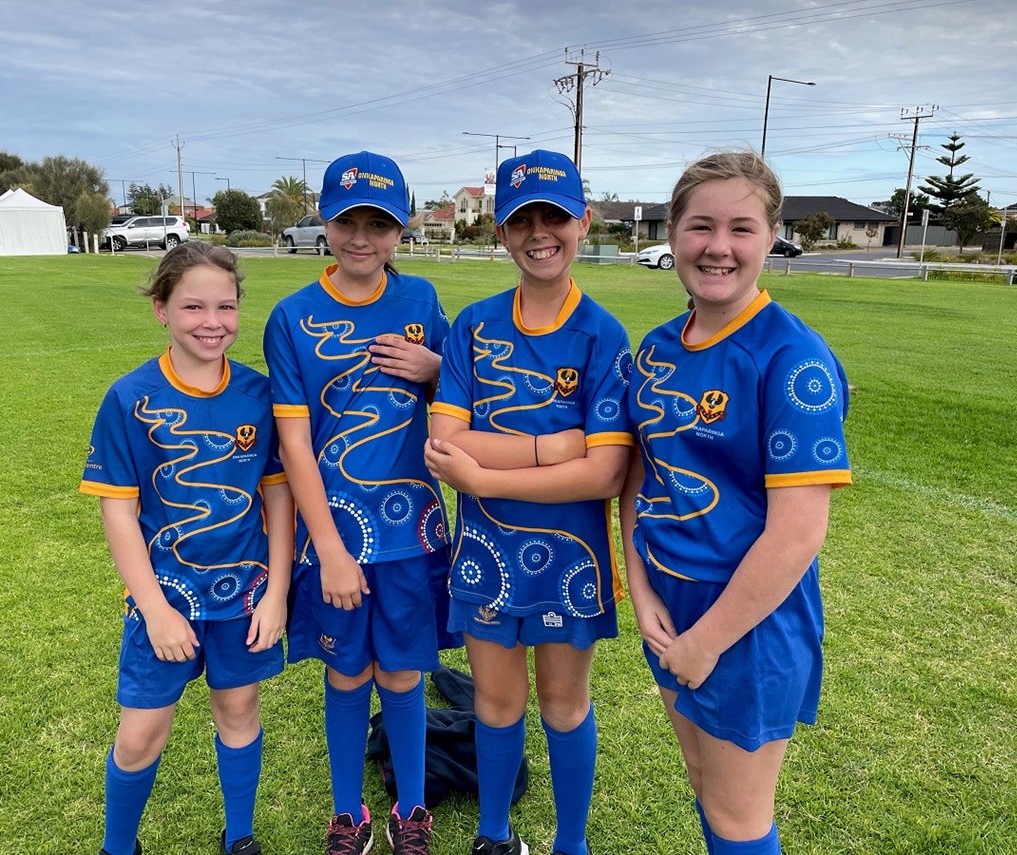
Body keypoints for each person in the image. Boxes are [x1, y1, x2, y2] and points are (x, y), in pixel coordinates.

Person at [619, 151, 852, 855]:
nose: (718, 247)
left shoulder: (793, 360)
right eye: (700, 226)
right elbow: (641, 477)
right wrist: (641, 590)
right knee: (703, 779)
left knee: (738, 814)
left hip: (745, 625)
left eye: (741, 228)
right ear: (674, 231)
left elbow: (797, 535)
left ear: (771, 235)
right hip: (669, 608)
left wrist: (705, 641)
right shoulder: (658, 348)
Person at [425, 149, 634, 855]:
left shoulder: (603, 334)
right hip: (486, 551)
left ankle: (569, 843)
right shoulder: (475, 325)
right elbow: (447, 441)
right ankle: (494, 835)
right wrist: (555, 445)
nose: (539, 232)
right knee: (495, 702)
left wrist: (488, 473)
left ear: (584, 219)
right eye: (522, 219)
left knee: (563, 704)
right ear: (500, 232)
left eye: (554, 215)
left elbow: (604, 471)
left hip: (571, 557)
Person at [264, 151, 459, 855]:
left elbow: (460, 403)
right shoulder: (292, 317)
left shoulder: (422, 303)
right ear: (325, 218)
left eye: (379, 224)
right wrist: (333, 548)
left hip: (414, 535)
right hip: (334, 540)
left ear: (399, 231)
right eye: (349, 220)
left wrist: (437, 369)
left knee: (404, 671)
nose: (361, 238)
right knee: (347, 671)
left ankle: (412, 810)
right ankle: (350, 814)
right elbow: (292, 444)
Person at [80, 241, 293, 855]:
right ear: (162, 309)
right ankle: (118, 846)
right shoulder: (129, 397)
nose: (212, 322)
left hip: (244, 595)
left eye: (225, 307)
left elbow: (279, 499)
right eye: (194, 306)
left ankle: (241, 836)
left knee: (239, 711)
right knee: (142, 734)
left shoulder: (260, 394)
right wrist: (154, 607)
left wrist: (276, 593)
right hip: (166, 599)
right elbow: (118, 511)